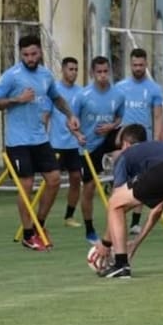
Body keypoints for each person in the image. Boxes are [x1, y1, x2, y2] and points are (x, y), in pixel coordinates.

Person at [0, 35, 79, 251]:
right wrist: (17, 100)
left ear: (40, 53)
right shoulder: (11, 76)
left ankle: (39, 225)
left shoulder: (46, 75)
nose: (30, 58)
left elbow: (56, 98)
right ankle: (28, 235)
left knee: (55, 180)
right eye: (26, 55)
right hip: (17, 141)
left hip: (40, 138)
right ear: (21, 54)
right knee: (27, 185)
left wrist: (70, 115)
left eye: (33, 54)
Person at [93, 123, 163, 278]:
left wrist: (105, 244)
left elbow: (116, 204)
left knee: (115, 203)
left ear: (125, 144)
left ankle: (121, 265)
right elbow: (157, 209)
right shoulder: (156, 152)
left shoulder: (126, 155)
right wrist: (135, 244)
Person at [70, 56, 125, 244]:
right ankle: (89, 229)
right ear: (92, 73)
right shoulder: (82, 96)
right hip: (88, 145)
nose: (102, 76)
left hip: (107, 139)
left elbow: (119, 118)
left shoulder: (118, 95)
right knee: (89, 187)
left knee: (124, 137)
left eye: (105, 72)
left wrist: (111, 126)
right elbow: (70, 121)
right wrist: (78, 135)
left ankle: (118, 173)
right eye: (99, 72)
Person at [115, 48, 163, 236]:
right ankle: (118, 215)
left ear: (146, 64)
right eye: (135, 65)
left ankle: (135, 223)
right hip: (126, 141)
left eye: (141, 65)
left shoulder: (154, 89)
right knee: (122, 180)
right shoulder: (120, 87)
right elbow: (116, 113)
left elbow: (158, 115)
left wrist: (157, 138)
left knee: (141, 181)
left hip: (144, 142)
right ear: (130, 65)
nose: (138, 68)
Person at [46, 57, 84, 227]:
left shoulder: (81, 92)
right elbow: (46, 115)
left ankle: (69, 216)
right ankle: (41, 218)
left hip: (73, 145)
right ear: (63, 70)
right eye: (71, 69)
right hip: (56, 144)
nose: (74, 72)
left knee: (76, 178)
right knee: (51, 182)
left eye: (76, 69)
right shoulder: (54, 91)